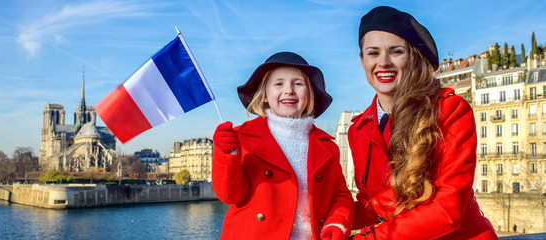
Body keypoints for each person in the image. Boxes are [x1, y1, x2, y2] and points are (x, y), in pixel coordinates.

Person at [348, 6, 499, 239]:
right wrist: (330, 220)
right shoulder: (358, 129)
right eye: (373, 53)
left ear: (413, 57)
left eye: (396, 52)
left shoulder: (449, 110)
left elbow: (447, 211)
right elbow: (375, 206)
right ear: (362, 60)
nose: (383, 62)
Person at [212, 51, 354, 239]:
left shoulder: (328, 147)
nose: (289, 90)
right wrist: (225, 154)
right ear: (263, 95)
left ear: (309, 94)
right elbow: (229, 196)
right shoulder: (242, 138)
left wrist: (337, 223)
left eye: (298, 83)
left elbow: (340, 197)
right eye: (279, 83)